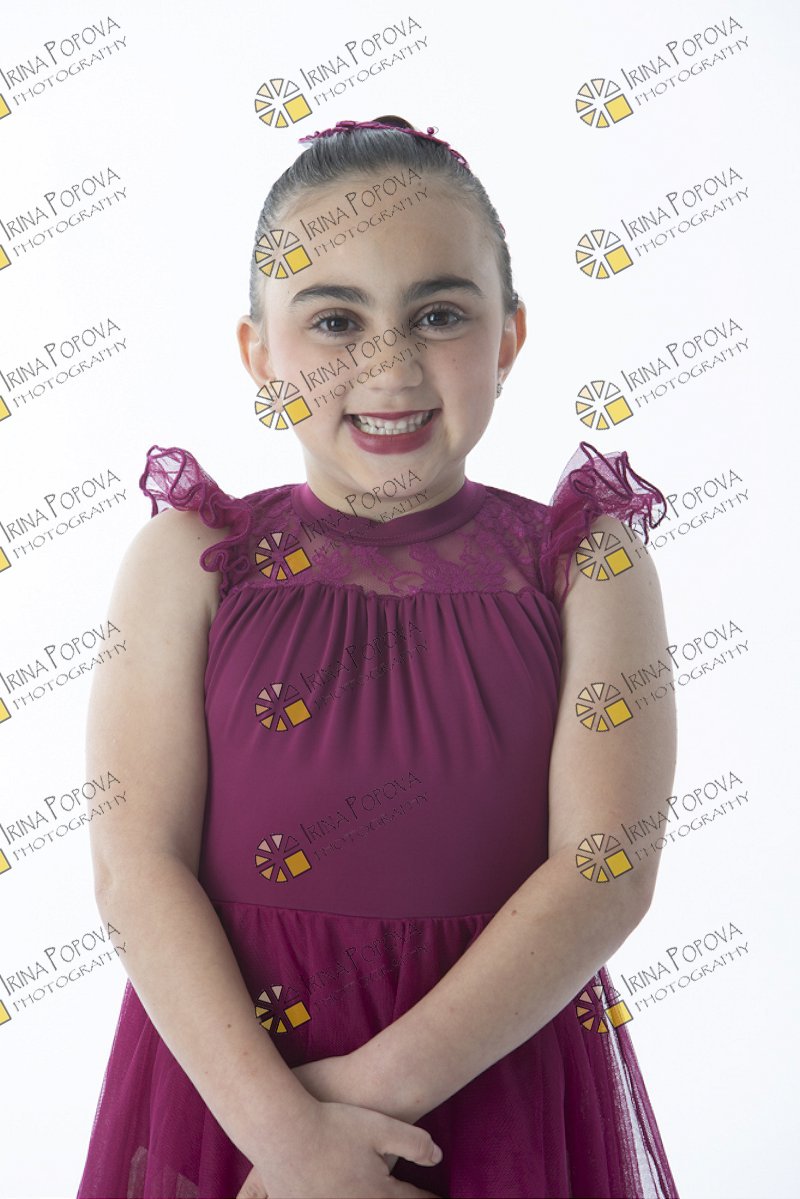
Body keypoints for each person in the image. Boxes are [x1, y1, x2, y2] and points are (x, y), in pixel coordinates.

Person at [76, 115, 679, 1199]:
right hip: (237, 1081)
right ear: (260, 353)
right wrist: (283, 1134)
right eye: (334, 320)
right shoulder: (191, 562)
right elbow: (135, 868)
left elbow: (607, 868)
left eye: (439, 314)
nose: (389, 365)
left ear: (509, 336)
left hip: (491, 1077)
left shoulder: (585, 566)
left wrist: (348, 1118)